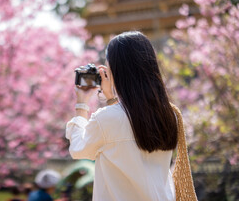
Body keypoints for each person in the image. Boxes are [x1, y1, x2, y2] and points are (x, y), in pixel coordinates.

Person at [66, 31, 178, 201]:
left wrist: (82, 103)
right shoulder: (169, 115)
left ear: (116, 69)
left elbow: (79, 149)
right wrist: (111, 98)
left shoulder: (106, 119)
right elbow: (130, 131)